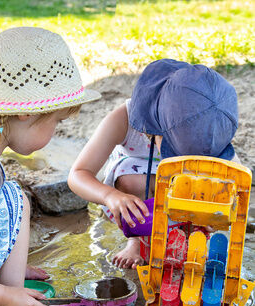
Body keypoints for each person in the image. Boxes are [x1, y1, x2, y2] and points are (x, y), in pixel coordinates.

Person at [0, 27, 100, 306]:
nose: (54, 133)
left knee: (14, 196)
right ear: (24, 112)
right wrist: (2, 294)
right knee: (7, 197)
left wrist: (1, 258)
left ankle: (7, 284)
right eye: (56, 122)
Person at [68, 58, 240, 269]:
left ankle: (191, 233)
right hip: (139, 187)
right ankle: (136, 241)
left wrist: (217, 211)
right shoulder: (124, 119)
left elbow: (237, 181)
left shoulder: (208, 126)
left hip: (181, 188)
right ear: (151, 127)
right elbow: (78, 174)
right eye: (175, 152)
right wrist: (110, 196)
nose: (179, 159)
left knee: (209, 183)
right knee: (132, 180)